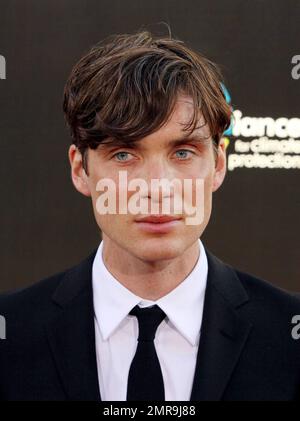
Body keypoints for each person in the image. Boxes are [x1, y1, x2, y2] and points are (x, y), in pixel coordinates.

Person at [0, 30, 300, 401]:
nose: (157, 187)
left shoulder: (290, 337)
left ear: (218, 165)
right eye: (124, 154)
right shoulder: (10, 333)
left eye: (183, 153)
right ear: (81, 170)